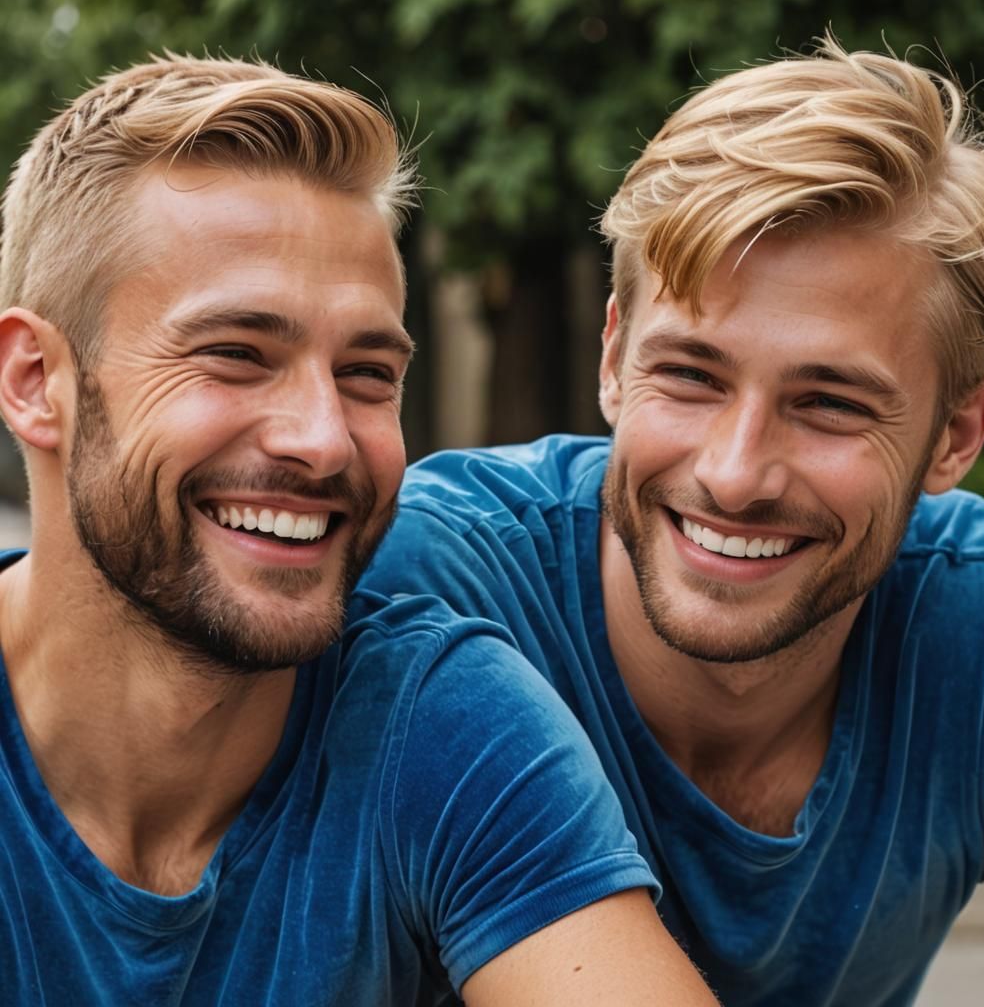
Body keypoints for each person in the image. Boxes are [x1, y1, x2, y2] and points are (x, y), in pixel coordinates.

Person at [0, 55, 720, 1005]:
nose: (323, 439)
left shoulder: (436, 722)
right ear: (34, 381)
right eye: (236, 353)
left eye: (367, 374)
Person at [361, 36, 984, 1005]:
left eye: (829, 403)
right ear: (614, 359)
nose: (734, 473)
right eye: (689, 375)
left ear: (955, 434)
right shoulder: (414, 584)